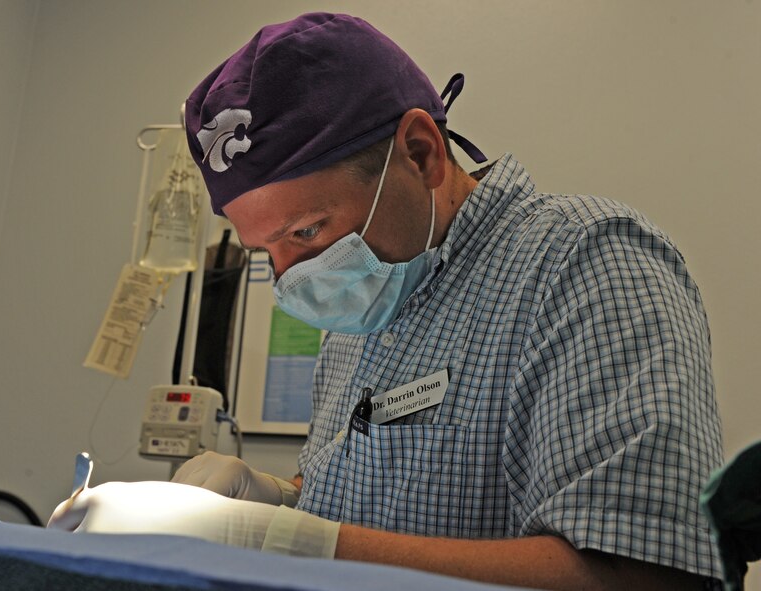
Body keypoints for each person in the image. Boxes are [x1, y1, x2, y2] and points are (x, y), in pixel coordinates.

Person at [51, 12, 724, 590]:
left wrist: (278, 541)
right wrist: (277, 501)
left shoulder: (586, 265)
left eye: (306, 231)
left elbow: (646, 574)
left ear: (422, 152)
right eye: (265, 250)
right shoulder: (361, 311)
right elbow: (380, 515)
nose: (288, 278)